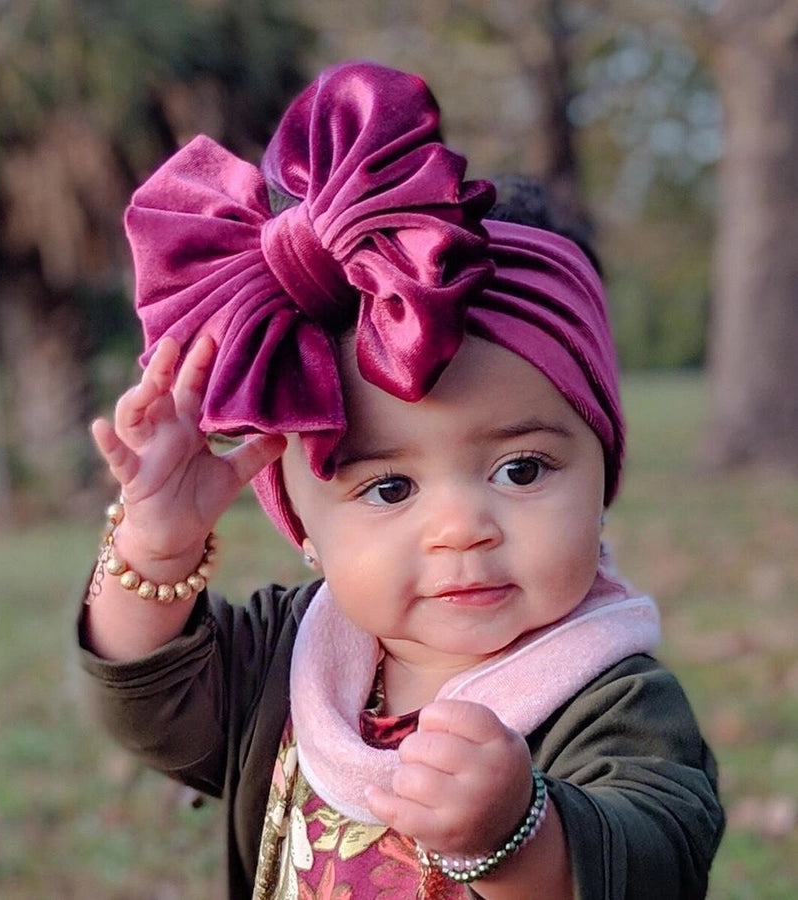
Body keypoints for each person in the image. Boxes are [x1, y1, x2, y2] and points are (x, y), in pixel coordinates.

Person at [78, 61, 724, 899]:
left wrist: (520, 835)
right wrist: (156, 546)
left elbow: (657, 860)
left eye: (521, 468)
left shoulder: (614, 699)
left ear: (602, 472)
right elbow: (148, 701)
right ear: (303, 525)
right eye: (389, 488)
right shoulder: (288, 661)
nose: (462, 527)